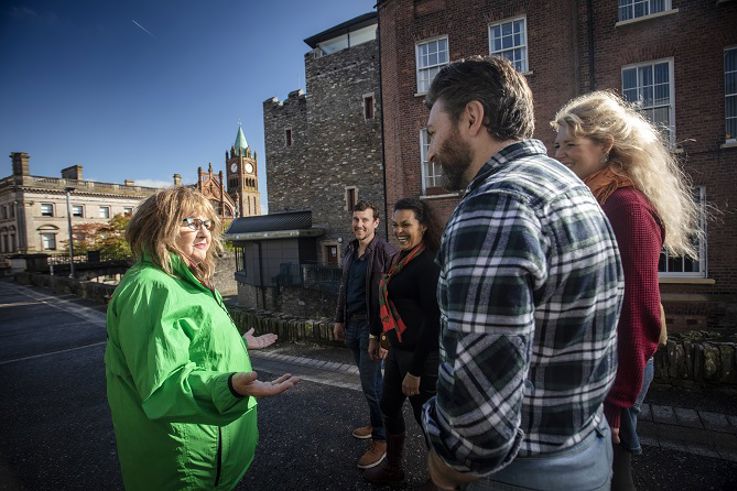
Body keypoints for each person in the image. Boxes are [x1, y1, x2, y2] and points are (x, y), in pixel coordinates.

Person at [419, 56, 624, 490]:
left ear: (472, 117)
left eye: (434, 133)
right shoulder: (566, 183)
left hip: (525, 472)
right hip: (586, 446)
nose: (432, 152)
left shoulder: (495, 204)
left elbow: (480, 422)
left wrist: (446, 459)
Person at [552, 91, 700, 490]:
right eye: (558, 144)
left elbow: (638, 311)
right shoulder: (593, 196)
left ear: (604, 146)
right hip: (600, 364)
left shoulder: (627, 206)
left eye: (571, 144)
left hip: (620, 371)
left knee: (614, 472)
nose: (560, 154)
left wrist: (618, 402)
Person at [105, 187, 298, 490]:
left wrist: (236, 343)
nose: (204, 231)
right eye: (190, 222)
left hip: (211, 456)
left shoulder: (186, 280)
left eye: (208, 223)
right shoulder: (151, 286)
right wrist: (230, 387)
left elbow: (190, 347)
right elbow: (164, 385)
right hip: (187, 463)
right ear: (159, 226)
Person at [363, 197, 441, 486]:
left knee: (429, 422)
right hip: (397, 351)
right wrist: (379, 337)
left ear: (423, 225)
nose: (399, 231)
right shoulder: (399, 260)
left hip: (423, 357)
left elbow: (434, 322)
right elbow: (390, 305)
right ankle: (394, 470)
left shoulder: (429, 263)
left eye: (406, 225)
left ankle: (439, 481)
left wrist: (416, 371)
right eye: (395, 225)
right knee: (389, 405)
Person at [334, 200, 397, 469]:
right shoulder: (349, 251)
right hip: (352, 325)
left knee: (371, 386)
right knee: (370, 384)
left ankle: (383, 439)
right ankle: (376, 423)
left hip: (372, 330)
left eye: (365, 220)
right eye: (356, 219)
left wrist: (383, 337)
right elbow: (343, 289)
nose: (359, 224)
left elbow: (393, 298)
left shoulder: (385, 252)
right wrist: (338, 319)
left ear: (376, 223)